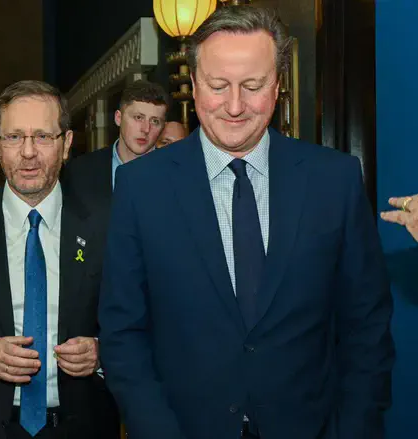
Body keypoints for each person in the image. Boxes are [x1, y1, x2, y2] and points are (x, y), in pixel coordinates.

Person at [98, 7, 394, 439]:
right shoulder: (142, 186)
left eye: (252, 86)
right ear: (194, 86)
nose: (234, 106)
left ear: (277, 88)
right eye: (218, 87)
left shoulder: (335, 179)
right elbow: (123, 331)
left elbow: (365, 325)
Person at [0, 80, 119, 439]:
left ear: (66, 145)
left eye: (43, 137)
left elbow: (142, 324)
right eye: (15, 137)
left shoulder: (109, 228)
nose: (28, 152)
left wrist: (101, 352)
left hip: (82, 427)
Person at [62, 80, 168, 212]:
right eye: (138, 118)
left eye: (155, 121)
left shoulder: (175, 176)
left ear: (163, 126)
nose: (146, 129)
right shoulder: (80, 172)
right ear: (118, 118)